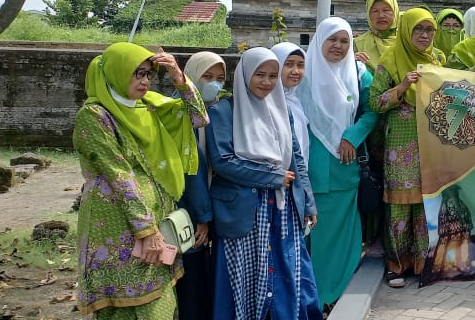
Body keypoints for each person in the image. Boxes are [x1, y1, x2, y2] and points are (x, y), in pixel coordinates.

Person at [74, 43, 207, 318]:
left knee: (160, 301)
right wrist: (146, 232)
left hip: (156, 219)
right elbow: (118, 173)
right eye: (137, 74)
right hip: (118, 225)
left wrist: (178, 77)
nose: (145, 80)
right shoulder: (95, 116)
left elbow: (198, 117)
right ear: (117, 73)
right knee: (127, 306)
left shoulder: (149, 107)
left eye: (148, 74)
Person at [206, 48, 321, 320]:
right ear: (245, 75)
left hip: (282, 209)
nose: (267, 82)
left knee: (287, 268)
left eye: (272, 75)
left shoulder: (281, 110)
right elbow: (222, 161)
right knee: (244, 275)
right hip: (244, 210)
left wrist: (307, 202)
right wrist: (272, 177)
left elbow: (296, 159)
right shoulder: (223, 111)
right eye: (259, 74)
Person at [297, 17, 379, 307]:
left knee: (338, 236)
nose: (338, 46)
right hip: (308, 168)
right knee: (308, 237)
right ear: (320, 39)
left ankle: (330, 296)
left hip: (344, 167)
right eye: (332, 39)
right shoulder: (302, 72)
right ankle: (306, 297)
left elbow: (371, 111)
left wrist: (352, 136)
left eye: (345, 41)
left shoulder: (359, 74)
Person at [369, 8, 446, 288]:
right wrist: (402, 87)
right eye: (418, 30)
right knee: (401, 205)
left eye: (429, 30)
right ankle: (396, 265)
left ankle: (423, 262)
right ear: (406, 31)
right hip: (400, 146)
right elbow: (375, 103)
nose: (424, 36)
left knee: (426, 204)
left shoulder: (437, 59)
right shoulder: (390, 61)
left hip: (429, 142)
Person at [175, 51, 229, 319]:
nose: (214, 84)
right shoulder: (178, 111)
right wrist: (202, 217)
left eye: (220, 78)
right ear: (191, 76)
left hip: (207, 204)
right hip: (187, 208)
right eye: (207, 76)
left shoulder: (218, 110)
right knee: (191, 276)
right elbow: (191, 172)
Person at [355, 0, 400, 70]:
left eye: (386, 10)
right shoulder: (357, 45)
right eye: (375, 11)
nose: (381, 15)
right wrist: (350, 62)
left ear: (395, 12)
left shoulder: (407, 42)